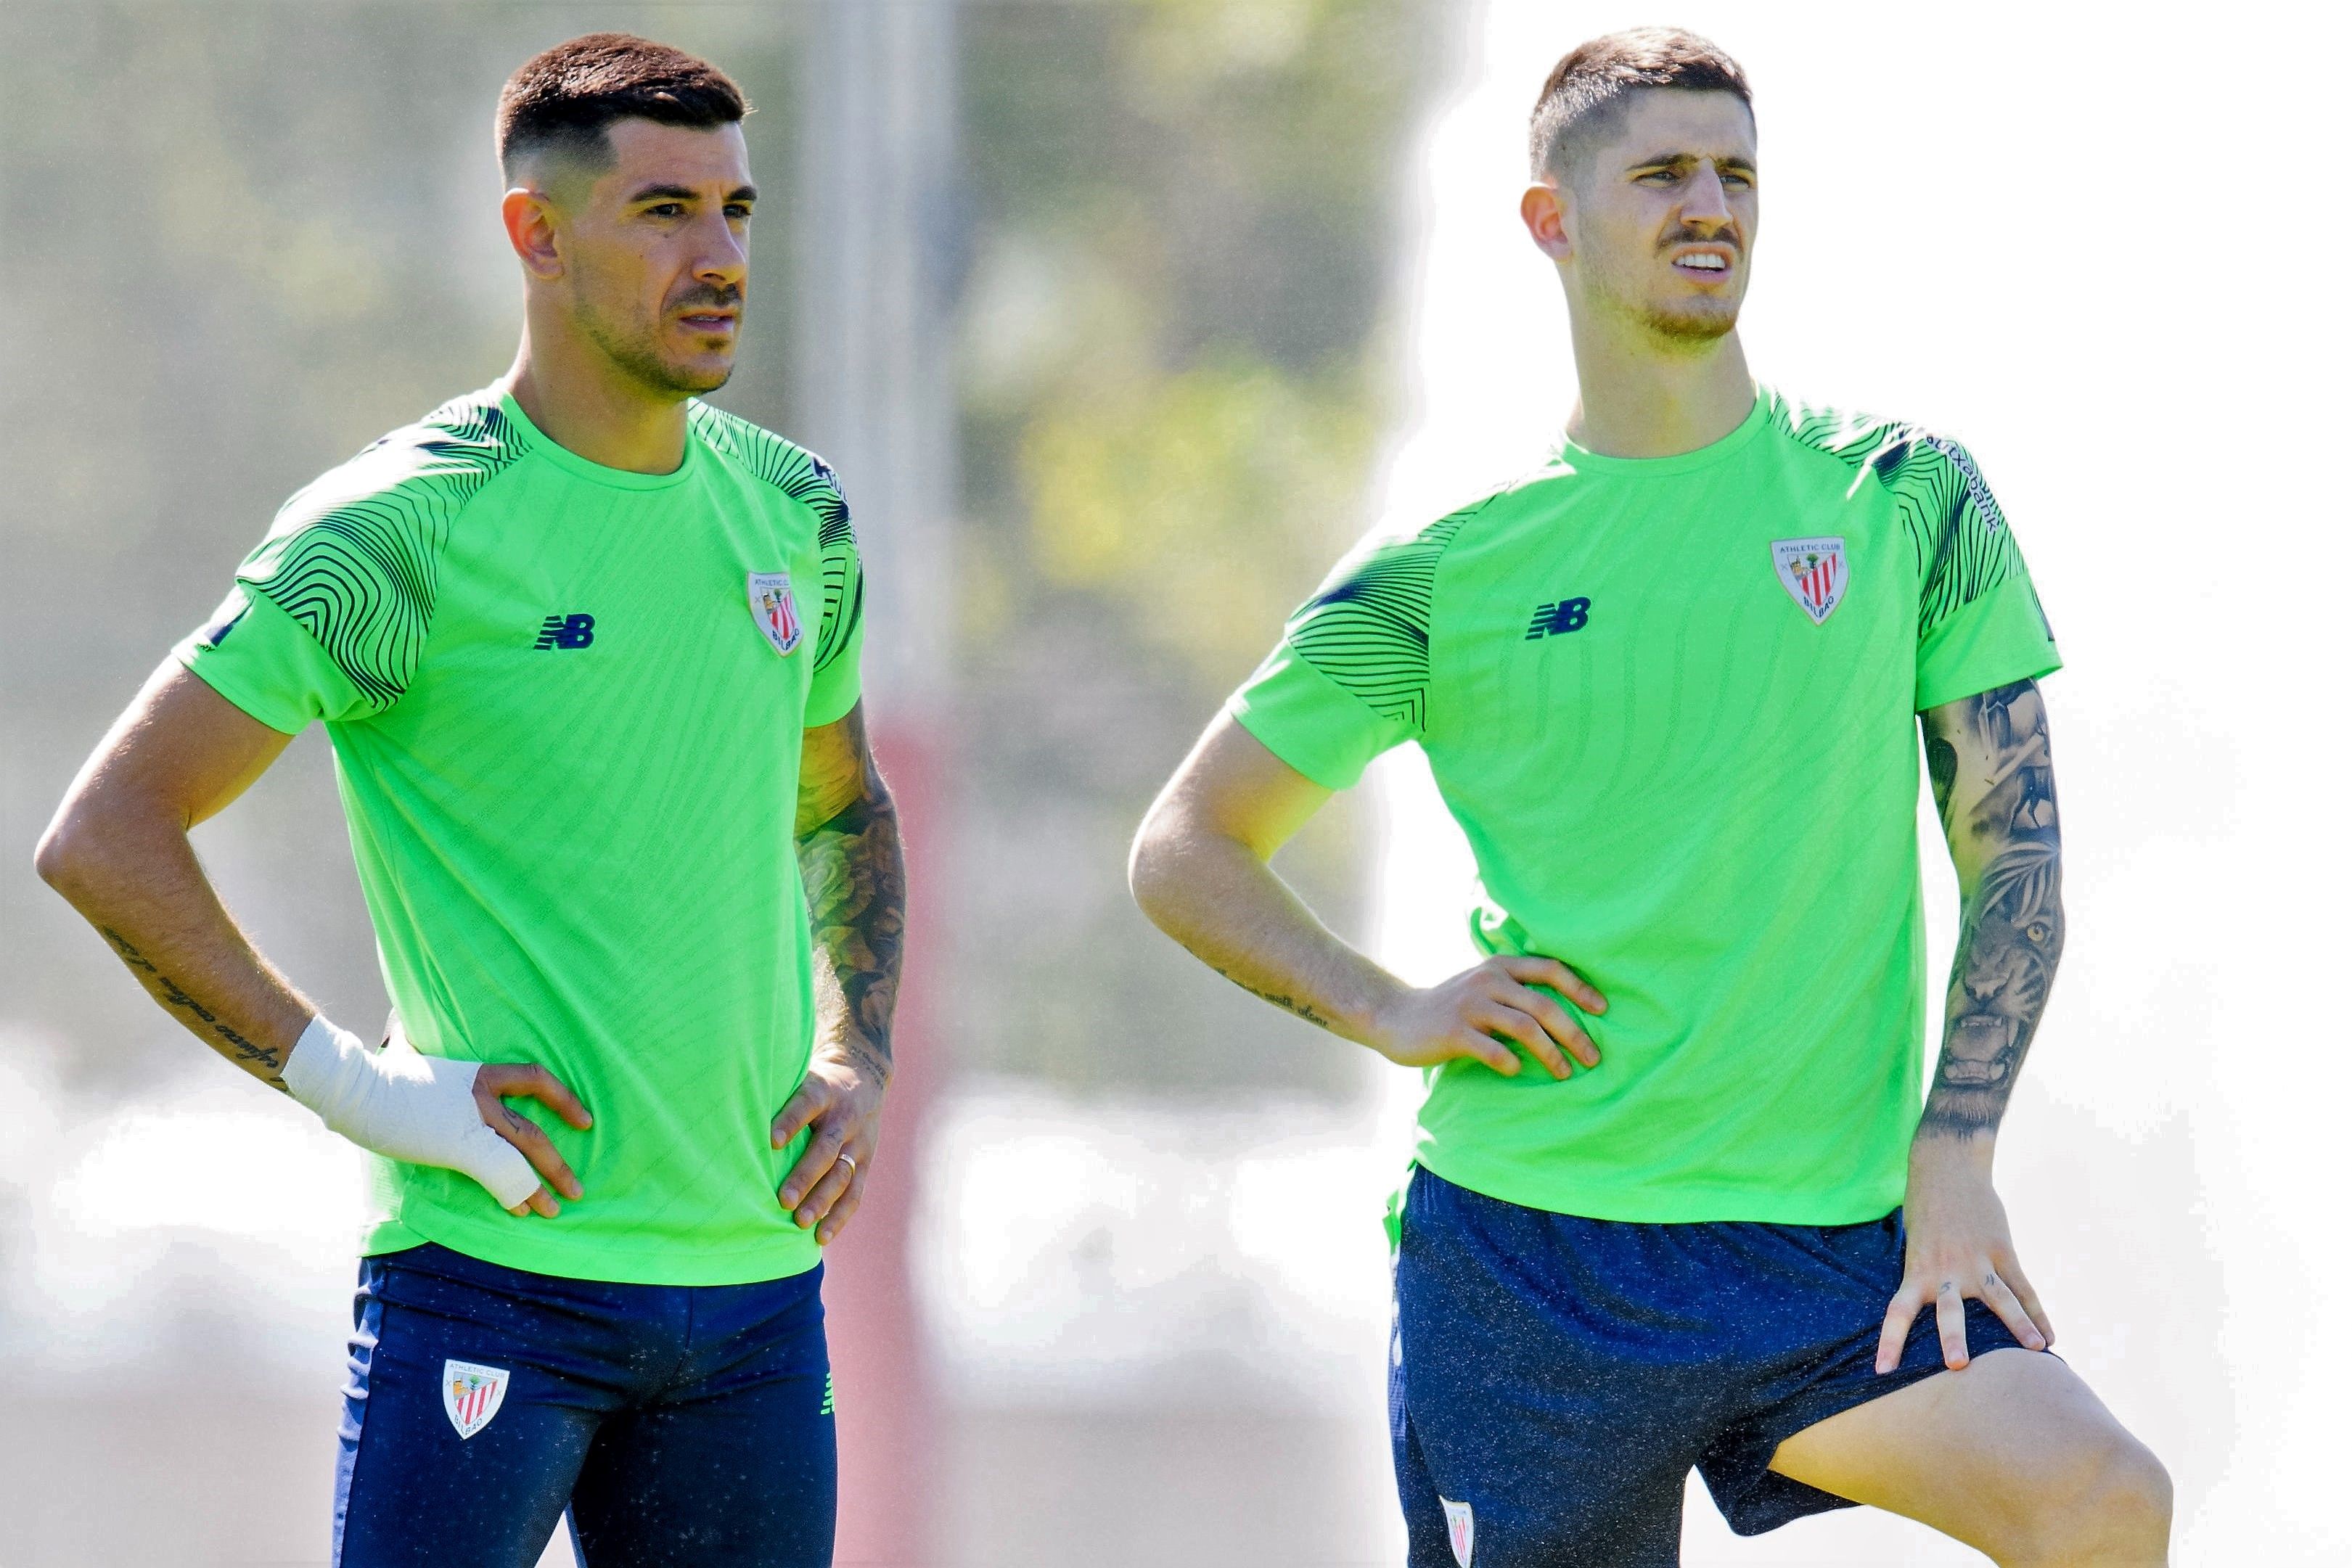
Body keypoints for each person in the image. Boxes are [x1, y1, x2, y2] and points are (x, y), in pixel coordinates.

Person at [1129, 27, 2168, 1568]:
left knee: (2098, 1500)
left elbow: (2014, 857)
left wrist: (1952, 1161)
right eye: (1664, 172)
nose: (1712, 205)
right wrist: (1390, 1006)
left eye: (1738, 173)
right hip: (1528, 1261)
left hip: (1829, 1249)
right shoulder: (1442, 572)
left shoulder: (1900, 496)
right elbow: (1187, 844)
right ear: (1550, 219)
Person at [35, 33, 901, 1568]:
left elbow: (840, 803)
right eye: (664, 212)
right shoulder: (401, 529)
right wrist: (367, 1090)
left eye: (738, 211)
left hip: (758, 1290)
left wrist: (857, 1049)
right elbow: (107, 836)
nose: (719, 258)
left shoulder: (795, 511)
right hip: (492, 1279)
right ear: (536, 234)